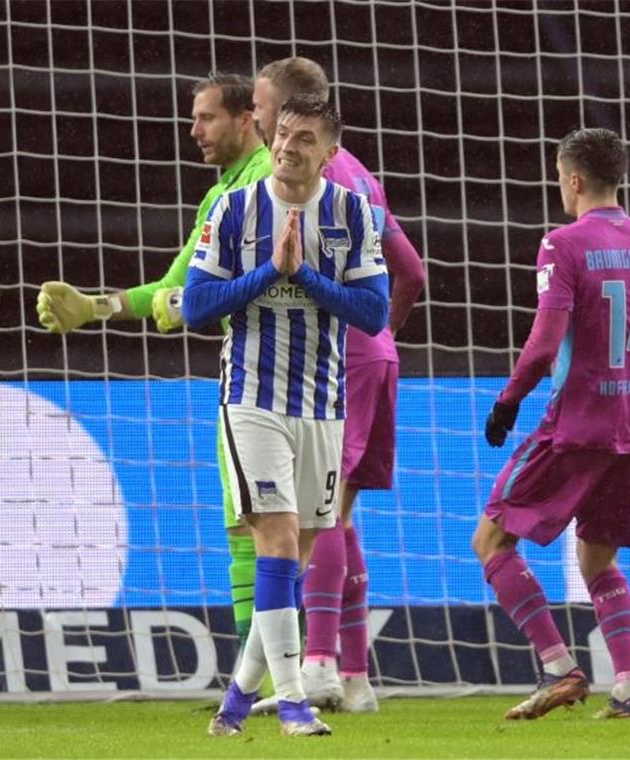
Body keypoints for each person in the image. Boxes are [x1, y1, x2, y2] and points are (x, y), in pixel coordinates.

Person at [471, 127, 630, 720]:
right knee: (598, 559)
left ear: (576, 179)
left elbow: (542, 346)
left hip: (577, 425)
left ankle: (560, 669)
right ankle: (628, 689)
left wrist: (508, 402)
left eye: (561, 178)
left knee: (491, 539)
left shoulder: (563, 244)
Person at [34, 73, 272, 659]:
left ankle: (302, 671)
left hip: (276, 374)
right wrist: (96, 308)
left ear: (246, 119)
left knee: (280, 531)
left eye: (207, 117)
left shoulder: (265, 182)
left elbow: (220, 288)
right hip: (246, 370)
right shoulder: (225, 193)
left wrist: (191, 302)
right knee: (251, 529)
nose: (194, 131)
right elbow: (176, 285)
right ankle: (258, 677)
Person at [186, 96, 389, 737]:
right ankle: (295, 701)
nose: (287, 146)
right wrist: (268, 273)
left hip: (323, 405)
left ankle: (236, 703)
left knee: (293, 562)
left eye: (305, 138)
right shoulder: (235, 208)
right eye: (282, 134)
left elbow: (374, 312)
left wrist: (306, 278)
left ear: (330, 152)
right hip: (251, 397)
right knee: (274, 539)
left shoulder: (350, 212)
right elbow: (195, 307)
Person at [251, 56, 426, 714]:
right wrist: (380, 338)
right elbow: (413, 274)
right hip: (374, 355)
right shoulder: (364, 176)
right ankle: (355, 677)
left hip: (334, 358)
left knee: (316, 512)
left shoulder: (304, 181)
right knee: (342, 517)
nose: (258, 120)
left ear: (292, 113)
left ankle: (317, 665)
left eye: (263, 109)